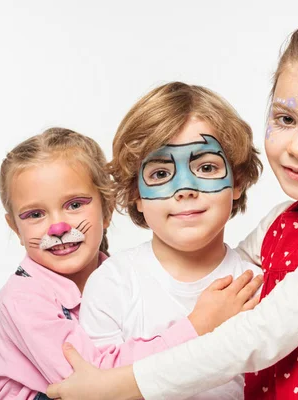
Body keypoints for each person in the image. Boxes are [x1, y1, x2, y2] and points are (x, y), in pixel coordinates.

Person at [47, 21, 298, 399]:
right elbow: (209, 257)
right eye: (286, 119)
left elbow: (263, 333)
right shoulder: (280, 223)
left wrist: (115, 386)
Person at [0, 127, 261, 399]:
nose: (57, 227)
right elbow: (95, 381)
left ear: (107, 210)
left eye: (74, 205)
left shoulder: (118, 276)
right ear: (15, 228)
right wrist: (197, 327)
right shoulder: (23, 298)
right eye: (35, 214)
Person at [79, 82, 264, 399]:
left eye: (206, 167)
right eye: (161, 173)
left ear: (238, 181)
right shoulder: (113, 285)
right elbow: (98, 389)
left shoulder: (257, 285)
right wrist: (198, 326)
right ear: (136, 194)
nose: (185, 188)